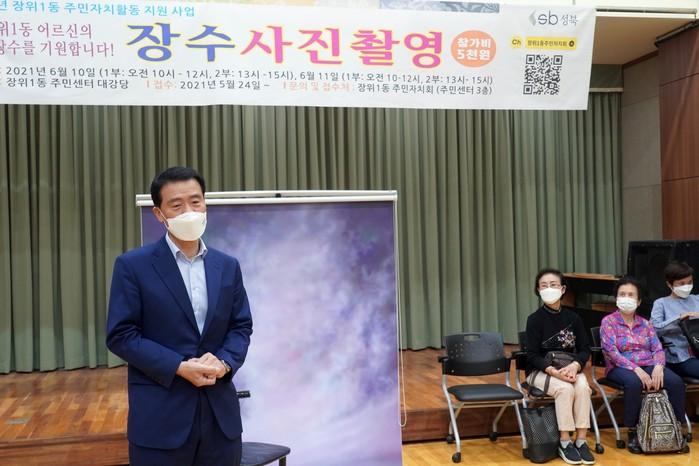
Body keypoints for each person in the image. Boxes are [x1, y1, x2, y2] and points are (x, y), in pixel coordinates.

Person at [106, 166, 253, 466]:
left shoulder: (227, 266)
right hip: (161, 418)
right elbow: (121, 335)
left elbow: (241, 326)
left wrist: (224, 362)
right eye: (177, 205)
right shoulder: (133, 266)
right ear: (159, 214)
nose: (189, 211)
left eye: (195, 201)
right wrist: (178, 366)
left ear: (205, 204)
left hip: (220, 421)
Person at [600, 276, 686, 454]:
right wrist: (636, 369)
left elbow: (658, 349)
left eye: (631, 295)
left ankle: (676, 429)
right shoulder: (608, 322)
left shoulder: (646, 324)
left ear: (638, 301)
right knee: (633, 383)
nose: (626, 298)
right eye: (622, 294)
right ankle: (633, 431)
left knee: (676, 382)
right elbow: (611, 352)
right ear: (616, 298)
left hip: (649, 364)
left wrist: (658, 367)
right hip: (619, 367)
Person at [525, 268, 595, 465]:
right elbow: (532, 355)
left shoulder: (574, 318)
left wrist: (575, 365)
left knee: (583, 387)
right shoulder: (534, 319)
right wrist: (553, 372)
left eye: (553, 284)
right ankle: (565, 442)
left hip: (569, 367)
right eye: (544, 285)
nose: (549, 288)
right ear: (538, 290)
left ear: (563, 289)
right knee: (565, 389)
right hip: (541, 370)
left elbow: (585, 349)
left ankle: (581, 440)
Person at [651, 261, 699, 379]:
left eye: (689, 282)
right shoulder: (661, 303)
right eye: (681, 283)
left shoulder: (697, 299)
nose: (686, 286)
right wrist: (679, 319)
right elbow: (653, 330)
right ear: (669, 284)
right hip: (680, 357)